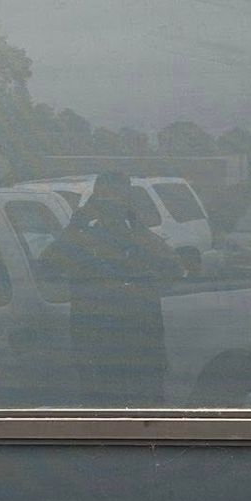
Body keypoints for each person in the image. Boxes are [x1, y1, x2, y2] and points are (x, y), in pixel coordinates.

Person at [39, 173, 180, 405]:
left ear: (129, 202)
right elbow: (47, 267)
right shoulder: (80, 241)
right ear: (94, 201)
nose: (111, 206)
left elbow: (173, 270)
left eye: (118, 199)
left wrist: (137, 227)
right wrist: (76, 226)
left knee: (144, 421)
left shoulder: (142, 240)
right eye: (104, 199)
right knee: (100, 421)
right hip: (97, 353)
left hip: (141, 351)